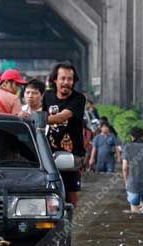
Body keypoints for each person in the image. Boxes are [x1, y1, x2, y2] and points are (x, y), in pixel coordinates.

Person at [43, 61, 87, 207]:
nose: (66, 82)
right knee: (49, 195)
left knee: (71, 197)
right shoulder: (47, 96)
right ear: (55, 80)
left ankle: (69, 224)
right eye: (63, 78)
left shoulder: (78, 98)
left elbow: (61, 117)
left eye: (70, 79)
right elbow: (38, 113)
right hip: (49, 152)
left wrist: (35, 119)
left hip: (72, 154)